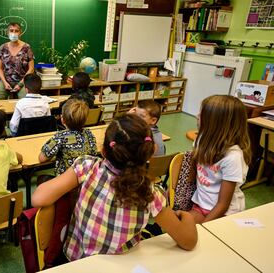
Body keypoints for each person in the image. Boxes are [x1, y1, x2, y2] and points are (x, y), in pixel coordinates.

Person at [32, 114, 197, 261]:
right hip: (120, 266)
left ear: (103, 151)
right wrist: (187, 217)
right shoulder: (150, 194)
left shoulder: (87, 166)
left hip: (76, 260)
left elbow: (38, 198)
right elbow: (189, 241)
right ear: (151, 151)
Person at [190, 95, 251, 224]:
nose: (197, 116)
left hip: (225, 213)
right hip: (201, 205)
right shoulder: (201, 140)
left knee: (197, 238)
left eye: (202, 115)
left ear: (215, 124)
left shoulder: (233, 157)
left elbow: (223, 205)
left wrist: (204, 227)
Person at [39, 99, 98, 176]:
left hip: (65, 180)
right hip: (85, 177)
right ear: (85, 120)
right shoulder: (89, 134)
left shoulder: (60, 137)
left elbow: (42, 158)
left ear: (62, 120)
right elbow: (94, 153)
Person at [0, 22, 34, 100]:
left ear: (20, 33)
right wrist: (4, 83)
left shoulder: (27, 47)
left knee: (26, 102)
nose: (14, 33)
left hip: (23, 81)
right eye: (11, 30)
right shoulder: (3, 47)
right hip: (6, 81)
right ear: (7, 33)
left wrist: (20, 84)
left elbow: (31, 69)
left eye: (16, 31)